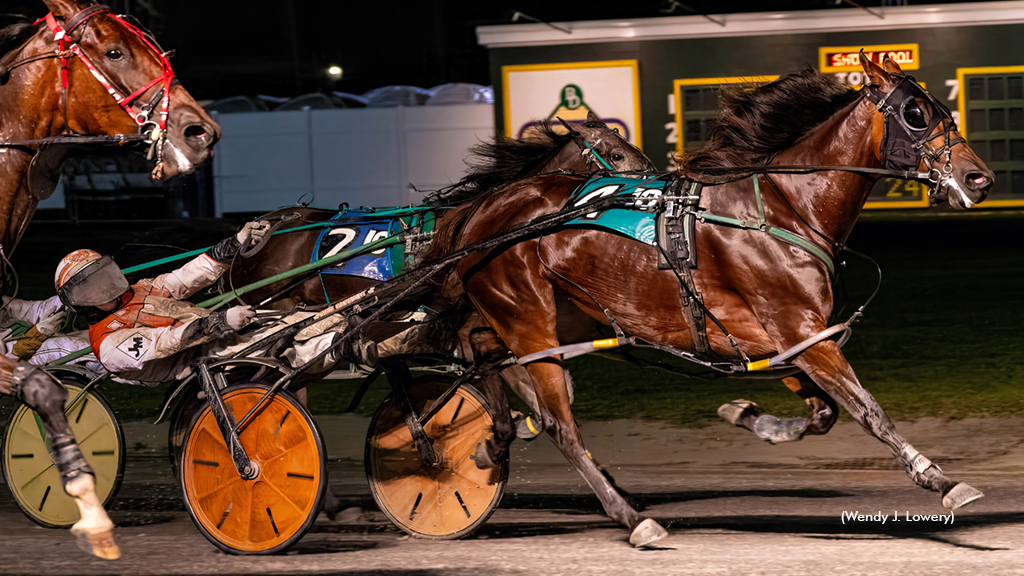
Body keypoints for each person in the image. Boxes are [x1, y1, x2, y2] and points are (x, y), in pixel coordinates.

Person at [54, 221, 376, 386]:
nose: (103, 289)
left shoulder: (141, 289)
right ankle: (339, 348)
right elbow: (168, 342)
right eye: (91, 287)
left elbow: (189, 276)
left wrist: (236, 243)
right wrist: (222, 321)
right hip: (200, 360)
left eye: (101, 278)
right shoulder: (107, 344)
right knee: (277, 338)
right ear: (82, 302)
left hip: (219, 333)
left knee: (295, 316)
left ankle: (346, 325)